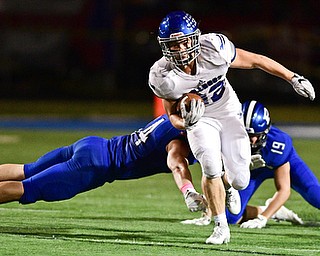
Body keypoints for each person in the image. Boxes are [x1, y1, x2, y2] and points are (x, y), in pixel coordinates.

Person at [148, 10, 315, 244]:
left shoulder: (214, 48)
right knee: (210, 166)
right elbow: (172, 116)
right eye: (173, 45)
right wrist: (186, 122)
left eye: (184, 41)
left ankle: (229, 187)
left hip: (227, 111)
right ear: (165, 46)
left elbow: (256, 60)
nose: (181, 49)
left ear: (195, 37)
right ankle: (220, 226)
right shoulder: (161, 74)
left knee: (240, 180)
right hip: (201, 119)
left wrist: (292, 77)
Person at [0, 114, 207, 213]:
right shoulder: (180, 141)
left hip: (94, 144)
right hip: (96, 165)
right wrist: (188, 191)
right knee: (29, 189)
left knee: (28, 170)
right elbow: (178, 164)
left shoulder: (174, 115)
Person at [182, 100, 318, 228]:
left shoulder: (278, 144)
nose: (250, 140)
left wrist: (263, 219)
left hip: (282, 164)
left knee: (315, 195)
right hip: (252, 171)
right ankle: (275, 212)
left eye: (255, 135)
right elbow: (216, 177)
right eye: (245, 135)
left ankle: (268, 211)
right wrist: (209, 213)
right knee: (231, 217)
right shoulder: (226, 138)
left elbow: (284, 189)